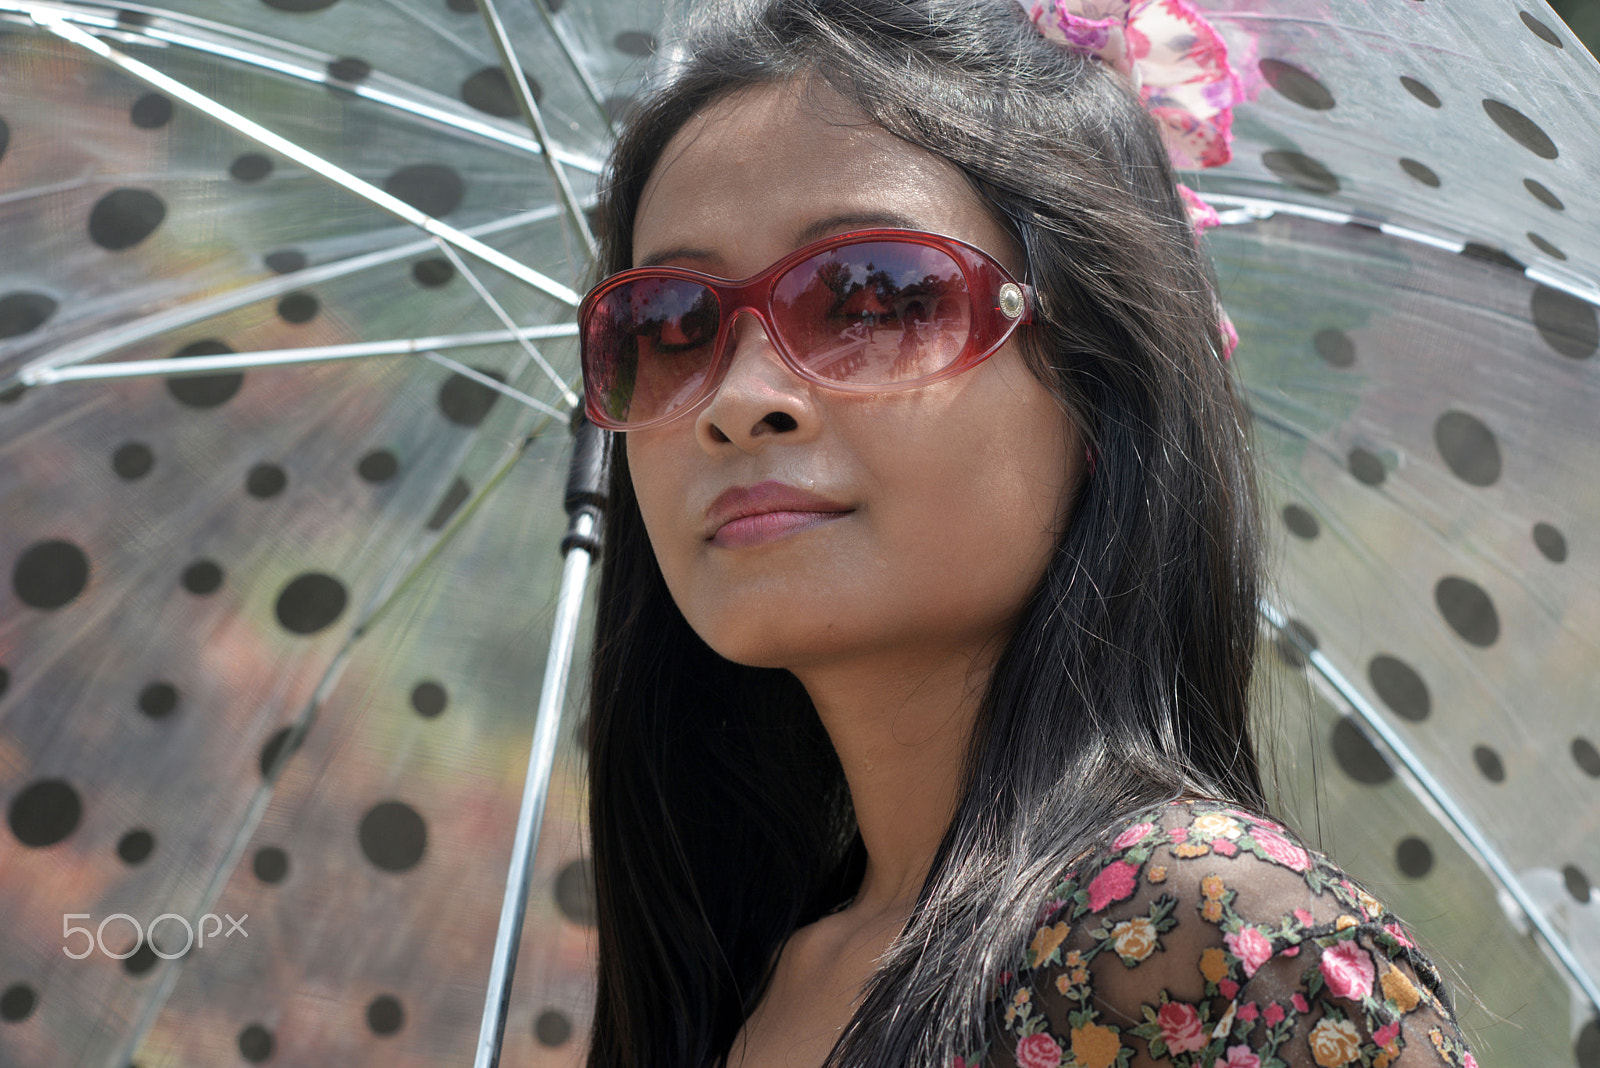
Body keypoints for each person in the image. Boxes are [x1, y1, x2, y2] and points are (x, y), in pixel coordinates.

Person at [576, 0, 1478, 1065]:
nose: (740, 398)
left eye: (872, 298)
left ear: (1100, 390)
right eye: (668, 325)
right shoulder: (744, 977)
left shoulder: (1223, 949)